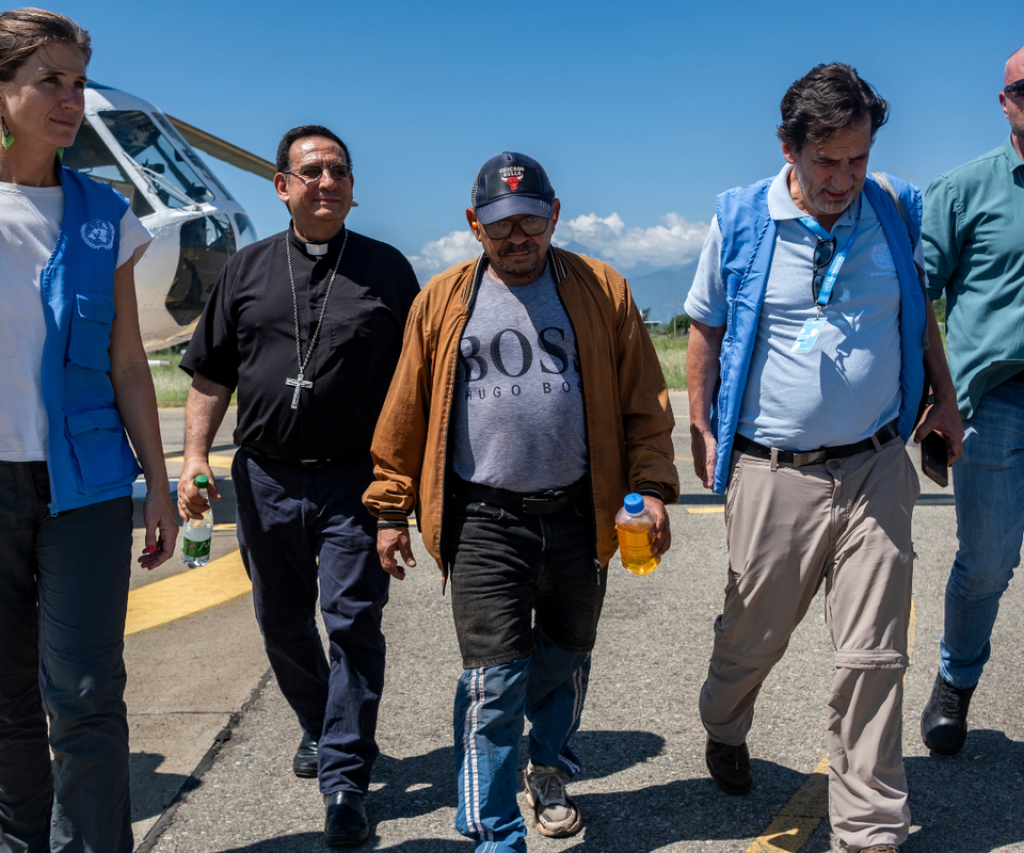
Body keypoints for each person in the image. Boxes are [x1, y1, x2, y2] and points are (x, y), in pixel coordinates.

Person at [364, 151, 679, 853]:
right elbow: (405, 410)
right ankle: (494, 832)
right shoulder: (442, 299)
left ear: (554, 214)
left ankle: (548, 767)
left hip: (580, 513)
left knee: (564, 656)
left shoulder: (603, 290)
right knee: (492, 677)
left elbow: (644, 409)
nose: (518, 237)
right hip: (483, 519)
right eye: (502, 223)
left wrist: (653, 489)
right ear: (475, 224)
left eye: (531, 219)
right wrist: (390, 507)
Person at [685, 64, 963, 853]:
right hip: (773, 468)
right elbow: (705, 326)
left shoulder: (896, 208)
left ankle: (870, 826)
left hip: (875, 463)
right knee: (754, 635)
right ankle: (723, 717)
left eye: (858, 159)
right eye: (826, 161)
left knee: (875, 652)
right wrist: (702, 425)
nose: (844, 179)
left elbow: (920, 312)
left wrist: (941, 396)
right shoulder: (741, 220)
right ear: (789, 148)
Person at [177, 125, 419, 846]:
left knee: (351, 622)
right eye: (311, 172)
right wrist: (194, 458)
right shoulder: (246, 271)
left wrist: (404, 493)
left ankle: (345, 780)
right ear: (281, 186)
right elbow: (210, 375)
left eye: (339, 170)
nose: (327, 182)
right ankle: (322, 723)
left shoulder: (388, 270)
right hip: (264, 478)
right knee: (282, 621)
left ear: (352, 186)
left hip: (356, 480)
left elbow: (418, 386)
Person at [0, 8, 177, 852]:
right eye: (51, 82)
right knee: (3, 701)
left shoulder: (105, 215)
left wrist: (163, 485)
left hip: (88, 488)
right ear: (3, 93)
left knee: (85, 692)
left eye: (77, 83)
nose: (71, 100)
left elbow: (131, 366)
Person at [919, 45, 1024, 756]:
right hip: (994, 401)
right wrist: (934, 397)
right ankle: (955, 681)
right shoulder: (963, 190)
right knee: (987, 560)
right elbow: (915, 293)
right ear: (1006, 100)